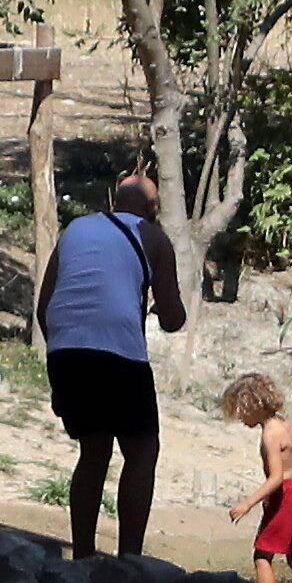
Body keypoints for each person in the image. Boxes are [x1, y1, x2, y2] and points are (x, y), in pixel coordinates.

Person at [34, 172, 189, 561]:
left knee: (94, 451)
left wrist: (61, 356)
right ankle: (129, 560)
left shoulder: (75, 229)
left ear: (114, 200)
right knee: (141, 450)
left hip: (66, 350)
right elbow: (173, 319)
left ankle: (83, 556)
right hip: (119, 352)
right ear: (153, 211)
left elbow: (43, 305)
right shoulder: (153, 238)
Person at [222, 374, 292, 583]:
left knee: (262, 554)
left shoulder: (270, 435)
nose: (239, 416)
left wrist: (247, 504)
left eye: (240, 410)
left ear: (253, 405)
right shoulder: (288, 426)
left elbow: (276, 478)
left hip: (286, 495)